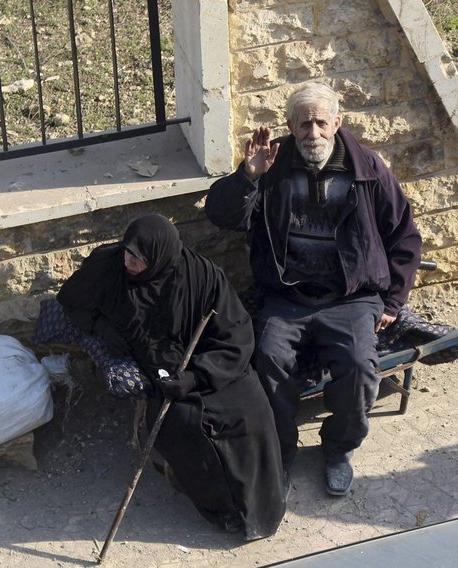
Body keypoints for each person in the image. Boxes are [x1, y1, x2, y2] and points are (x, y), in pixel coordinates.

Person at [205, 82, 422, 496]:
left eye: (322, 123)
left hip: (351, 297)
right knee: (266, 360)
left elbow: (405, 236)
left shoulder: (368, 170)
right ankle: (280, 452)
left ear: (337, 123)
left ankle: (339, 448)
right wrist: (248, 175)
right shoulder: (272, 166)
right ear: (290, 126)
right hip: (288, 297)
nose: (314, 133)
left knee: (359, 366)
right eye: (304, 124)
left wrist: (394, 300)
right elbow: (223, 216)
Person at [55, 214, 286, 540]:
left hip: (210, 364)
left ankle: (262, 506)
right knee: (181, 426)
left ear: (160, 257)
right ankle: (220, 507)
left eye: (138, 258)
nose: (128, 261)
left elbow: (236, 335)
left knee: (251, 412)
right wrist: (103, 328)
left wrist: (195, 377)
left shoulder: (202, 276)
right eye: (127, 253)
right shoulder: (109, 267)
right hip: (156, 369)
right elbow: (71, 302)